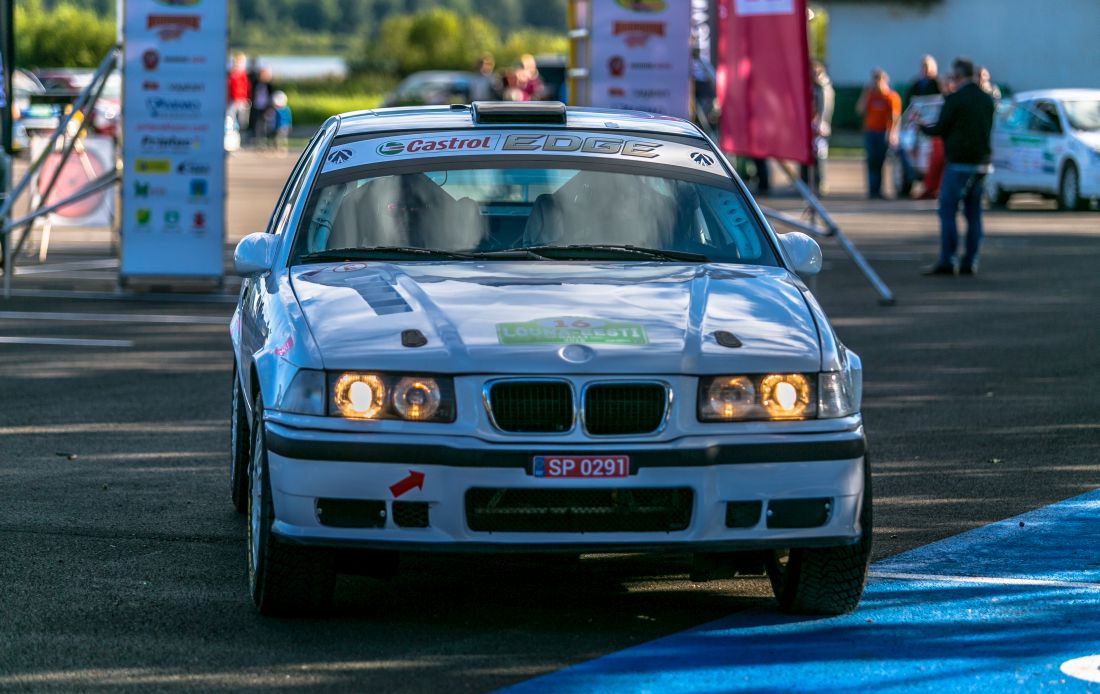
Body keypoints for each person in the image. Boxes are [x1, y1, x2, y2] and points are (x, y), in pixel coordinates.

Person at [919, 57, 995, 276]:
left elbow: (941, 128)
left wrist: (923, 127)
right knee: (974, 214)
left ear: (959, 76)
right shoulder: (986, 99)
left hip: (959, 163)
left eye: (953, 76)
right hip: (982, 163)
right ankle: (970, 261)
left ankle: (948, 259)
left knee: (948, 211)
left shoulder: (956, 99)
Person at [856, 68, 901, 199]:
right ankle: (872, 190)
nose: (876, 83)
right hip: (871, 132)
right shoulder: (870, 95)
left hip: (883, 133)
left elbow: (895, 116)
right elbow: (859, 110)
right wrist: (865, 94)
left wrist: (892, 133)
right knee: (871, 161)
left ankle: (879, 189)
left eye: (879, 80)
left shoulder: (891, 97)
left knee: (880, 161)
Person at [801, 60, 834, 196]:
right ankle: (805, 182)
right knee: (805, 154)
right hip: (808, 124)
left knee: (818, 154)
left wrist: (821, 123)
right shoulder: (808, 86)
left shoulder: (824, 86)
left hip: (819, 125)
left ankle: (819, 182)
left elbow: (824, 107)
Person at [249, 67, 277, 147]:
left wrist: (270, 107)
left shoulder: (269, 85)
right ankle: (258, 140)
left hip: (266, 107)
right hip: (257, 106)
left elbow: (271, 96)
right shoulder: (256, 84)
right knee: (257, 124)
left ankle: (264, 141)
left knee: (265, 124)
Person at [226, 52, 251, 134]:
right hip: (232, 100)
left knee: (242, 121)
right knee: (230, 119)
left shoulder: (243, 74)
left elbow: (246, 88)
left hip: (242, 100)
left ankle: (241, 138)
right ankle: (231, 136)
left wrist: (246, 98)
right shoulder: (231, 74)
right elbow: (229, 87)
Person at [271, 91, 292, 157]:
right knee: (280, 138)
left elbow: (289, 118)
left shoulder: (279, 110)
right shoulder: (286, 109)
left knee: (281, 139)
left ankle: (282, 150)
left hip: (282, 126)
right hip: (281, 126)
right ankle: (279, 149)